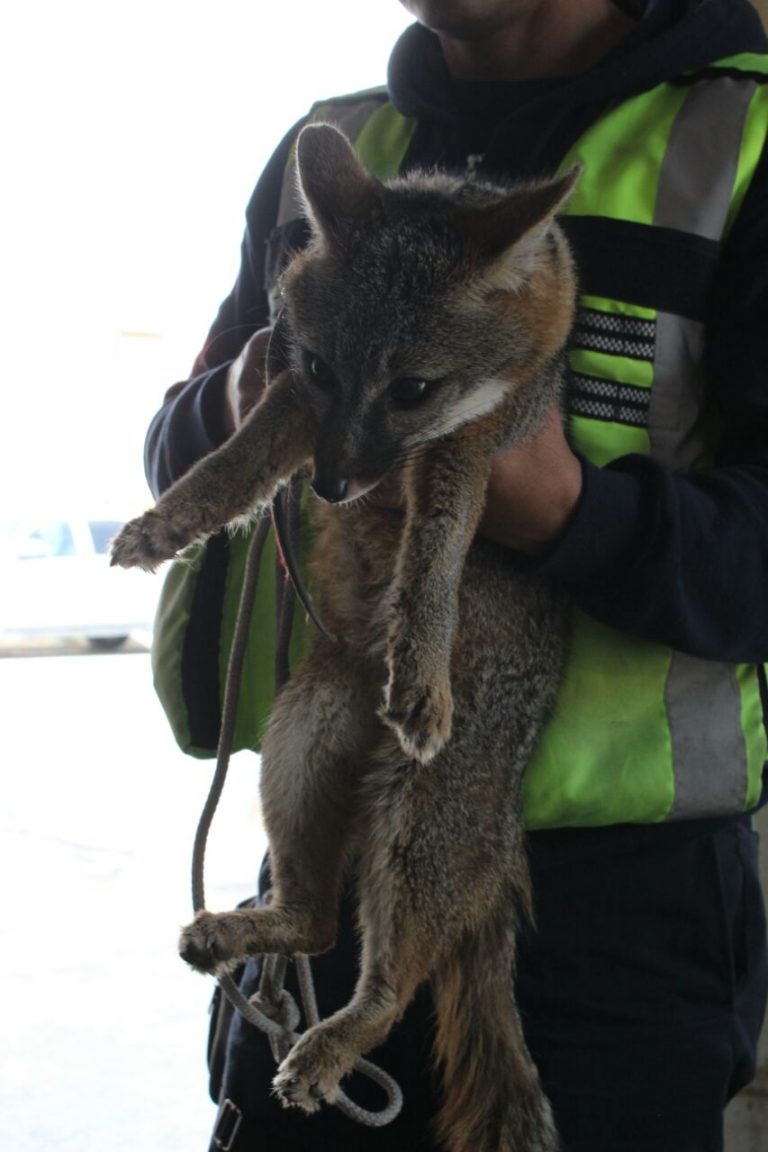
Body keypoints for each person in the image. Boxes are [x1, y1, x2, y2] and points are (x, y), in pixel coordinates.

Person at [144, 2, 768, 1149]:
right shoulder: (328, 152)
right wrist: (255, 404)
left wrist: (571, 516)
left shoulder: (741, 146)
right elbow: (183, 431)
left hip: (615, 924)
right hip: (329, 855)